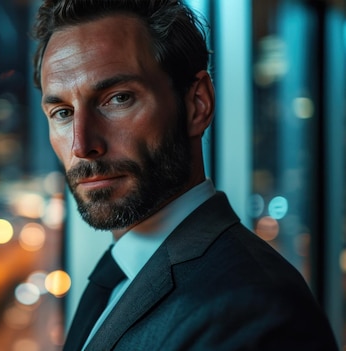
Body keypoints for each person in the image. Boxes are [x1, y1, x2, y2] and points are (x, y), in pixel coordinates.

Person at [31, 0, 338, 350]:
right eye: (62, 112)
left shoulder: (255, 311)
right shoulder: (120, 276)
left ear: (197, 104)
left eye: (118, 99)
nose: (82, 145)